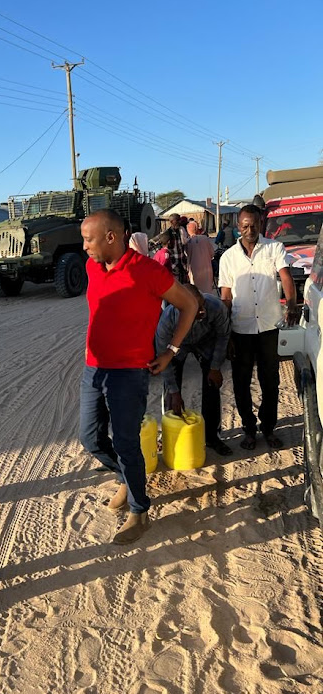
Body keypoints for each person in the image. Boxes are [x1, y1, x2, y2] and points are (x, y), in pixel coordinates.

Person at [79, 209, 198, 544]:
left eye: (89, 239)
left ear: (111, 237)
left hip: (129, 373)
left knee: (127, 442)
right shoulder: (91, 266)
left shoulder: (147, 271)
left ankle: (139, 511)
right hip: (93, 367)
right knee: (90, 438)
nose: (84, 246)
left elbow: (188, 304)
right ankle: (126, 478)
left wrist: (171, 351)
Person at [218, 204, 300, 450]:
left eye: (253, 225)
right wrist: (226, 334)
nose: (249, 230)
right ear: (238, 227)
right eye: (244, 226)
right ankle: (249, 430)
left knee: (270, 381)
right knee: (241, 383)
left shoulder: (274, 248)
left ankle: (268, 428)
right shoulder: (228, 257)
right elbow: (225, 296)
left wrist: (293, 304)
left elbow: (285, 276)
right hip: (240, 329)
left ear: (261, 224)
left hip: (268, 327)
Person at [155, 285, 232, 455]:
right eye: (197, 309)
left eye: (202, 305)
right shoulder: (167, 321)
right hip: (176, 345)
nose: (203, 311)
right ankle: (170, 434)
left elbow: (223, 336)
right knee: (170, 391)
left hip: (206, 341)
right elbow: (163, 360)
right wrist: (175, 392)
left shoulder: (216, 307)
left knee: (212, 384)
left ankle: (211, 437)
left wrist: (215, 367)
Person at [186, 221, 215, 294]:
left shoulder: (188, 242)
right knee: (207, 291)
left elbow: (187, 257)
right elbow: (212, 253)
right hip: (207, 269)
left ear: (188, 230)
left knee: (196, 293)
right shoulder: (205, 238)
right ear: (196, 229)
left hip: (195, 270)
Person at [165, 214, 189, 283]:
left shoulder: (181, 230)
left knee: (185, 285)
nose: (179, 221)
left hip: (182, 264)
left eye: (180, 220)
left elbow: (185, 242)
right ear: (172, 222)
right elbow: (155, 244)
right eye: (177, 220)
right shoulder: (167, 233)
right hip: (174, 265)